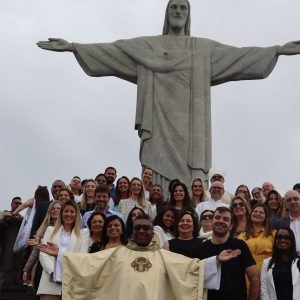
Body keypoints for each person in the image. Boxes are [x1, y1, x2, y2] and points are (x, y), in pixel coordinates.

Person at [37, 0, 300, 194]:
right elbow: (115, 52)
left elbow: (239, 56)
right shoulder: (149, 46)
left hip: (191, 128)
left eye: (183, 8)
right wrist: (74, 47)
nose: (178, 12)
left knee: (192, 172)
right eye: (173, 7)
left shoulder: (202, 48)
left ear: (188, 15)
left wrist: (276, 51)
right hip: (158, 122)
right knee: (155, 170)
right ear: (166, 13)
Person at [61, 214, 241, 300]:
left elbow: (192, 269)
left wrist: (216, 260)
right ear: (132, 232)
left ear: (152, 232)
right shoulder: (117, 253)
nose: (141, 231)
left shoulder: (164, 256)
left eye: (146, 228)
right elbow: (88, 264)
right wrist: (61, 255)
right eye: (137, 228)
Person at [195, 207, 260, 300]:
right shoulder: (199, 249)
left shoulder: (240, 245)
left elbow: (254, 278)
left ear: (230, 226)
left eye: (226, 219)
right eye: (217, 217)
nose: (221, 221)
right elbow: (193, 278)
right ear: (212, 221)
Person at [36, 200, 89, 299]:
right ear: (61, 213)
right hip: (49, 282)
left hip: (72, 284)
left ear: (77, 214)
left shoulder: (84, 233)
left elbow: (82, 258)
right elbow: (43, 253)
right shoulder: (50, 230)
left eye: (72, 212)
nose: (69, 214)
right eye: (66, 211)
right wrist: (53, 272)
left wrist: (59, 253)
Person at [23, 200, 61, 294]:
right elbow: (36, 251)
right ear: (49, 211)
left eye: (58, 208)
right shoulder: (44, 228)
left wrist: (40, 242)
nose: (55, 210)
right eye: (53, 208)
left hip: (60, 267)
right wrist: (27, 269)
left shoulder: (67, 228)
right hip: (42, 268)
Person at [261, 227, 300, 300]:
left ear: (292, 241)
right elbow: (264, 289)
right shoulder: (266, 263)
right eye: (279, 237)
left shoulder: (298, 261)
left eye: (286, 237)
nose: (282, 240)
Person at [239, 204, 275, 274]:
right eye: (255, 211)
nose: (257, 213)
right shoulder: (242, 235)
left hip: (267, 271)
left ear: (266, 217)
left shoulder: (273, 233)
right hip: (246, 272)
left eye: (261, 212)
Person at [274, 190, 300, 254]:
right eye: (289, 200)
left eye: (296, 199)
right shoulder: (279, 223)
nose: (293, 202)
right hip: (289, 260)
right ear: (285, 204)